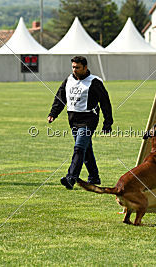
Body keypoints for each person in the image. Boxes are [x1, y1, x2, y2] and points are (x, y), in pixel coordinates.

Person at [48, 56, 113, 190]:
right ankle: (94, 177)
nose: (75, 70)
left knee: (79, 148)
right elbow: (60, 98)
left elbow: (105, 102)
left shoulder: (94, 82)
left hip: (89, 120)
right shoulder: (69, 80)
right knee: (86, 149)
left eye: (77, 67)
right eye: (73, 67)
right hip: (73, 120)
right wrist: (53, 113)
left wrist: (108, 123)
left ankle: (71, 178)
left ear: (85, 67)